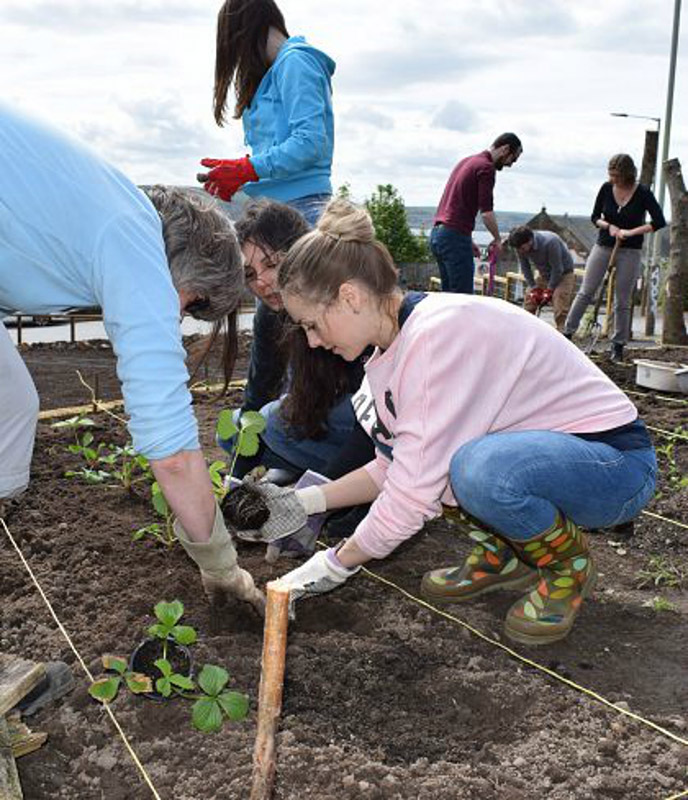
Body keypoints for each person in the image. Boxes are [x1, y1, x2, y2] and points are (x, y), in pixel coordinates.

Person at [232, 199, 656, 646]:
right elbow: (394, 467)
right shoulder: (388, 356)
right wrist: (304, 503)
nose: (313, 342)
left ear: (349, 297)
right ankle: (504, 554)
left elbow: (413, 493)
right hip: (553, 461)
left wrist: (335, 564)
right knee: (452, 468)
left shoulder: (435, 339)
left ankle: (569, 566)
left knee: (473, 470)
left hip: (614, 466)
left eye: (313, 325)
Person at [0, 103, 263, 613]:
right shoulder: (133, 238)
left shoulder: (107, 206)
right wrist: (220, 564)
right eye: (188, 304)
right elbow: (172, 450)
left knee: (12, 404)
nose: (173, 316)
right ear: (184, 271)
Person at [220, 198, 374, 481]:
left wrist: (326, 494)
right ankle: (297, 468)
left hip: (375, 426)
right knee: (235, 429)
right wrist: (234, 481)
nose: (262, 282)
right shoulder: (270, 313)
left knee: (275, 421)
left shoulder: (341, 302)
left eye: (272, 264)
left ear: (301, 250)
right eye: (251, 274)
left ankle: (343, 479)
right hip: (326, 421)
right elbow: (259, 389)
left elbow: (372, 418)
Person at [198, 0, 335, 226]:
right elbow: (279, 148)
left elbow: (309, 143)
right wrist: (241, 175)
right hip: (281, 208)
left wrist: (247, 170)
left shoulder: (295, 62)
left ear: (242, 35)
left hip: (302, 208)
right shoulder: (280, 68)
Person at [564, 153, 666, 361]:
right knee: (586, 292)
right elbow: (595, 217)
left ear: (627, 175)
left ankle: (618, 345)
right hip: (603, 247)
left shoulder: (643, 193)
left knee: (622, 299)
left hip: (630, 251)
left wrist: (631, 232)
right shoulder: (605, 188)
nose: (613, 179)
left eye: (616, 176)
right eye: (610, 175)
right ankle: (567, 334)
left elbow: (659, 221)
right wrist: (609, 226)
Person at [430, 133, 522, 294]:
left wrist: (467, 238)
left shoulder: (466, 161)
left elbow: (456, 205)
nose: (510, 165)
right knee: (462, 298)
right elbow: (486, 213)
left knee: (447, 297)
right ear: (505, 149)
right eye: (512, 159)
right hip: (454, 238)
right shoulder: (486, 167)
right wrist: (498, 239)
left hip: (438, 234)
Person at [508, 226, 575, 331]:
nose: (520, 251)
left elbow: (557, 269)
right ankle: (527, 329)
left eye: (522, 248)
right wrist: (534, 287)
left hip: (563, 274)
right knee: (529, 300)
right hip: (544, 274)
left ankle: (562, 333)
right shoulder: (519, 247)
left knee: (559, 301)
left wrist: (549, 290)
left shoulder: (550, 242)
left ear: (529, 241)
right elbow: (525, 268)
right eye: (518, 249)